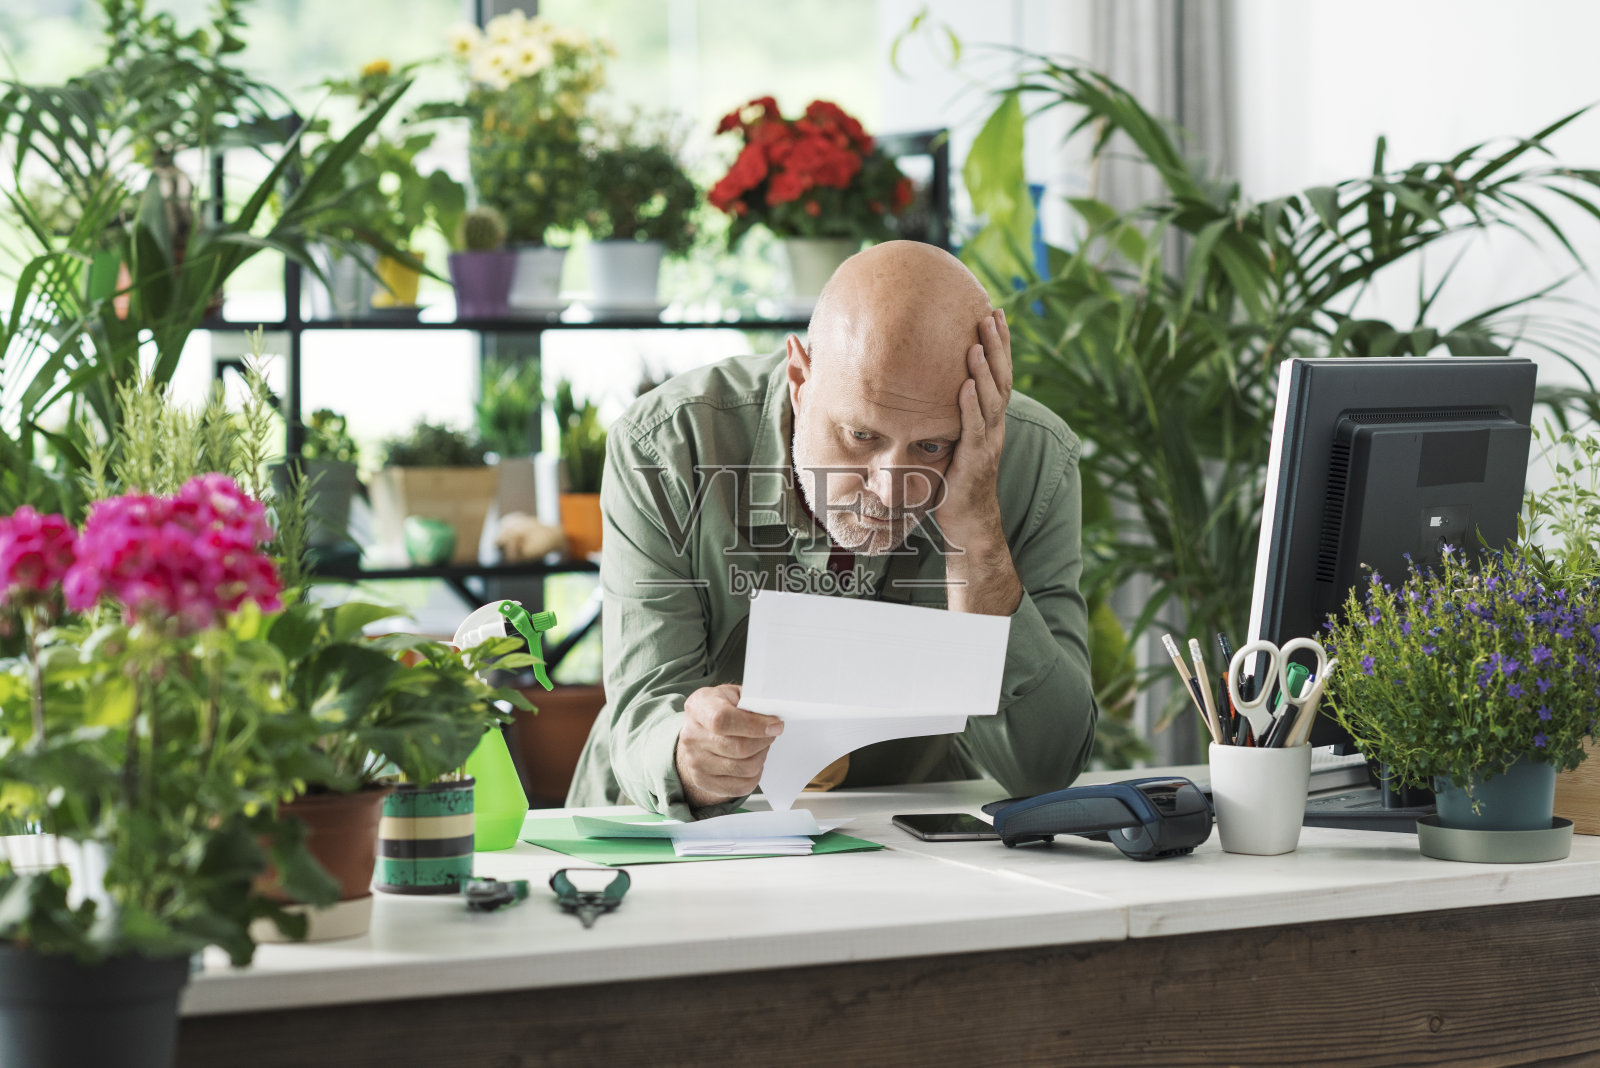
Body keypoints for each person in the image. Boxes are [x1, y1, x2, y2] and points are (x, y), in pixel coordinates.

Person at [566, 240, 1097, 819]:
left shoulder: (1035, 461)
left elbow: (1045, 768)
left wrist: (977, 535)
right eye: (861, 437)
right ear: (800, 376)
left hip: (908, 845)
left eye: (932, 445)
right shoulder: (668, 447)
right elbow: (645, 711)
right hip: (676, 833)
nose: (890, 489)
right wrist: (690, 758)